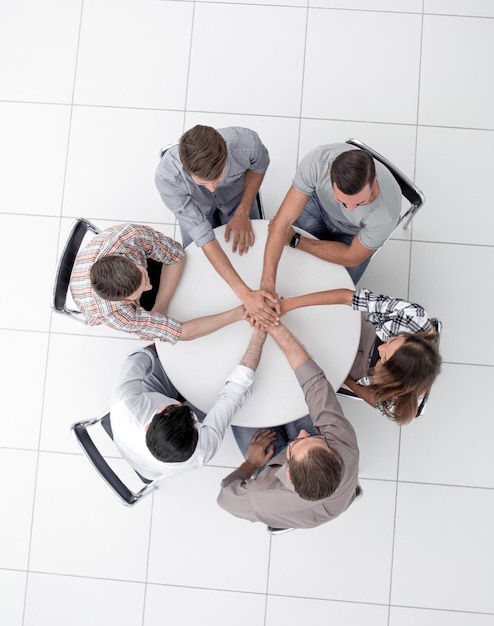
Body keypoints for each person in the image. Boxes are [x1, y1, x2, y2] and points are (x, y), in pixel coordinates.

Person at [217, 322, 360, 530]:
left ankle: (281, 523)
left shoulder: (261, 495)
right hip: (331, 494)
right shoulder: (344, 445)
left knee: (239, 407)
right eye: (314, 438)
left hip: (272, 482)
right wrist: (274, 326)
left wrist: (251, 464)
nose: (302, 433)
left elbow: (224, 497)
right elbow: (315, 384)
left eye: (297, 443)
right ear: (333, 455)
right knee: (296, 398)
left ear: (289, 473)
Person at [155, 125, 279, 326]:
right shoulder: (167, 178)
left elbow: (260, 166)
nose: (212, 187)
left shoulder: (246, 143)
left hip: (237, 198)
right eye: (203, 183)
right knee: (197, 263)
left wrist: (242, 211)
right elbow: (203, 235)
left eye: (218, 178)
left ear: (226, 155)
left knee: (254, 248)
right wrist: (244, 294)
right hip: (196, 208)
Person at [110, 329, 267, 480]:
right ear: (196, 434)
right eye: (190, 416)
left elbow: (137, 359)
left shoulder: (126, 404)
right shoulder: (201, 451)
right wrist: (258, 340)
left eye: (173, 407)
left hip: (143, 408)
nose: (179, 402)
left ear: (148, 425)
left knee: (169, 352)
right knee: (218, 398)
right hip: (147, 465)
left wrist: (163, 341)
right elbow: (232, 395)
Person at [280, 287, 442, 424]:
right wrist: (288, 305)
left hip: (365, 372)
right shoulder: (413, 316)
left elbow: (376, 401)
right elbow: (347, 298)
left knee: (313, 358)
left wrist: (348, 381)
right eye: (393, 340)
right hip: (370, 328)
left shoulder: (397, 404)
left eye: (384, 359)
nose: (381, 349)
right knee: (320, 322)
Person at [260, 143, 402, 298]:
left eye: (362, 201)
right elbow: (282, 221)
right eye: (342, 200)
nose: (351, 209)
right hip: (319, 206)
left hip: (354, 233)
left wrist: (297, 241)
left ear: (374, 178)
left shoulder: (386, 215)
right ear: (329, 174)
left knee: (336, 287)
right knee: (288, 262)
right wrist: (267, 283)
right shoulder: (317, 162)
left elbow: (352, 257)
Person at [70, 223, 244, 341]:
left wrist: (160, 307)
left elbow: (177, 255)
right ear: (124, 302)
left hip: (97, 253)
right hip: (87, 297)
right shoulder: (115, 315)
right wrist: (238, 314)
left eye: (144, 276)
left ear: (129, 260)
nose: (150, 286)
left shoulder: (130, 236)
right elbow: (181, 332)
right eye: (140, 291)